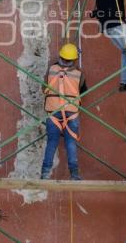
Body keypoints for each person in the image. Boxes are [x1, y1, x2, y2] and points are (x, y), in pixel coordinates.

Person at [41, 43, 87, 181]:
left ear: (60, 56)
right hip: (71, 112)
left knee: (52, 142)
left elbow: (44, 89)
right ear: (73, 59)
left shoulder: (51, 69)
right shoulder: (79, 73)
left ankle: (45, 173)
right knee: (70, 143)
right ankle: (74, 174)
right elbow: (83, 91)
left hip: (53, 111)